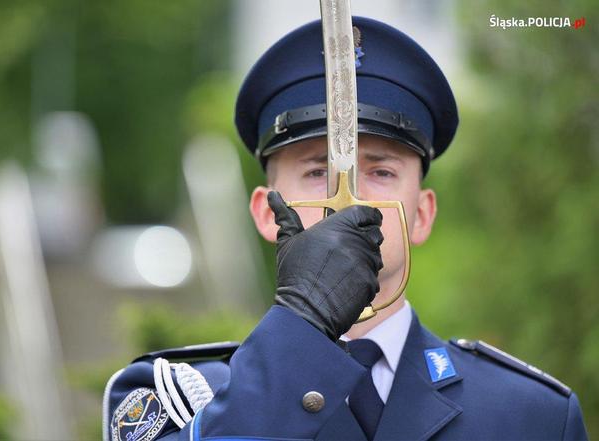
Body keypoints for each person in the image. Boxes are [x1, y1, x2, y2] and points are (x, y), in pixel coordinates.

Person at [103, 17, 588, 441]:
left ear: (422, 213)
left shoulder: (531, 414)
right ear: (267, 214)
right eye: (318, 173)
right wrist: (305, 324)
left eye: (380, 172)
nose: (349, 202)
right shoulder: (183, 399)